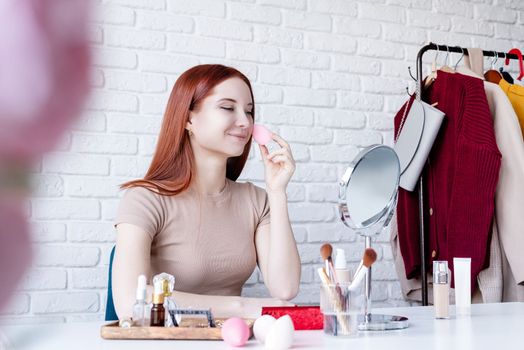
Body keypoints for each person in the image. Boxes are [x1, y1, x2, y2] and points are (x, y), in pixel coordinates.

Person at [112, 64, 301, 320]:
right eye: (227, 107)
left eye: (249, 111)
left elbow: (285, 288)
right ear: (189, 118)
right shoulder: (145, 200)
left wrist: (277, 193)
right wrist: (240, 307)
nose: (245, 122)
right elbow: (129, 303)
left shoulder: (256, 201)